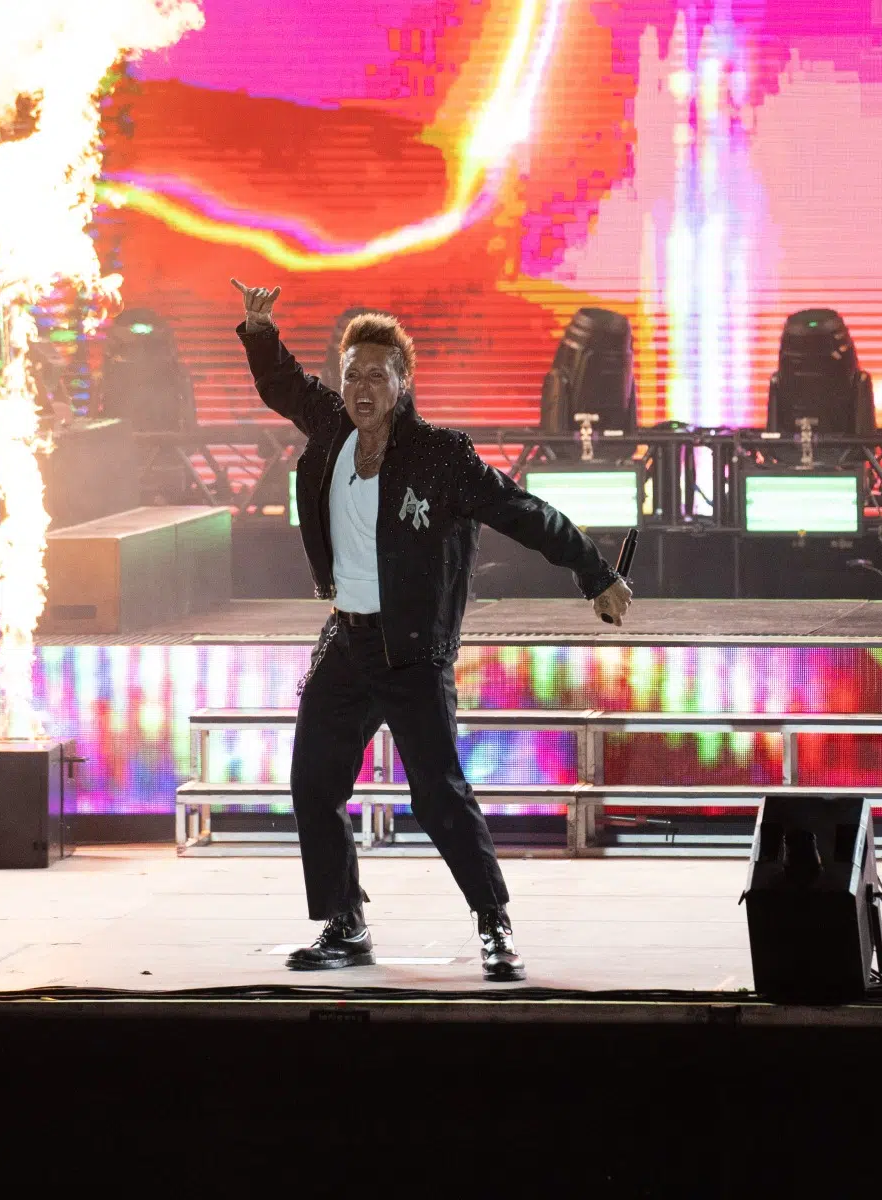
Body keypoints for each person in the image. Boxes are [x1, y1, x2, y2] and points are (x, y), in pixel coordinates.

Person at [231, 278, 634, 982]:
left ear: (403, 382)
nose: (361, 388)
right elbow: (282, 384)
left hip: (413, 652)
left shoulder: (440, 456)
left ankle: (493, 923)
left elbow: (525, 513)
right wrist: (261, 331)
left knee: (439, 795)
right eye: (352, 374)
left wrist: (595, 573)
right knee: (313, 783)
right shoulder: (330, 430)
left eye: (376, 375)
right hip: (346, 642)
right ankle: (345, 923)